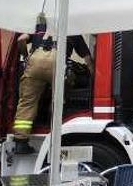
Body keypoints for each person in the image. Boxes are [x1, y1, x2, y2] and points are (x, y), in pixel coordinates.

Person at [12, 13, 93, 154]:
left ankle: (20, 142)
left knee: (27, 102)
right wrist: (95, 78)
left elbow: (21, 39)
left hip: (35, 61)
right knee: (58, 101)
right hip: (58, 62)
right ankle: (54, 133)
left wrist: (27, 58)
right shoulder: (72, 29)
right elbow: (87, 59)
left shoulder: (39, 27)